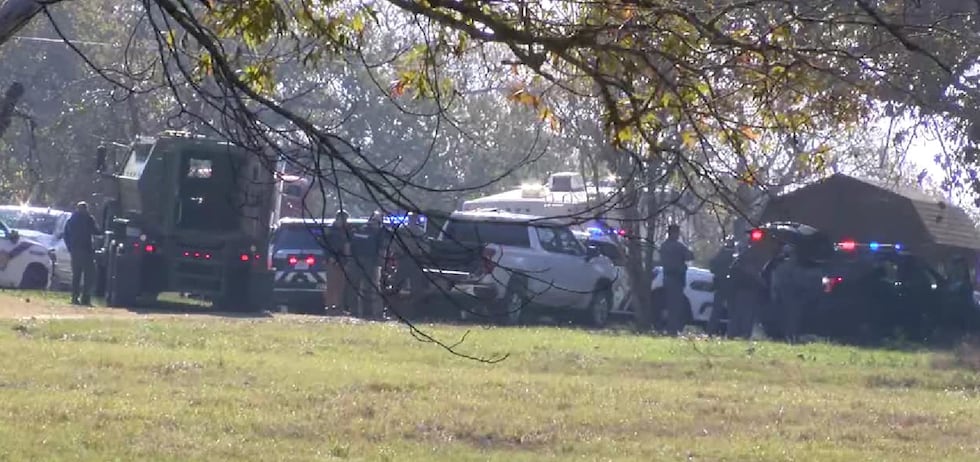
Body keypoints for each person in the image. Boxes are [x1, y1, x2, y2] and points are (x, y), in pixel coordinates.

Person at [349, 211, 390, 319]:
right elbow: (382, 250)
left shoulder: (359, 229)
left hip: (357, 262)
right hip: (371, 263)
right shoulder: (380, 233)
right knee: (374, 288)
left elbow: (351, 246)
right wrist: (383, 263)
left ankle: (356, 312)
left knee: (356, 287)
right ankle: (375, 313)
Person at [659, 223, 695, 335]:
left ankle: (668, 327)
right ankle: (673, 330)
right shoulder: (679, 246)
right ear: (675, 233)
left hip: (667, 278)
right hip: (677, 279)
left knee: (669, 305)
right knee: (676, 306)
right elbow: (690, 256)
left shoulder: (664, 246)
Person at [64, 201, 99, 306]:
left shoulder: (71, 220)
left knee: (76, 276)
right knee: (89, 275)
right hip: (86, 250)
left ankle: (75, 298)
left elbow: (66, 235)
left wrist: (70, 247)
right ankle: (86, 298)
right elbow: (96, 231)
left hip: (75, 251)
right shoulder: (88, 219)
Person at [395, 212, 429, 316]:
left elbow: (394, 245)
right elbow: (426, 248)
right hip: (413, 260)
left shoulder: (401, 230)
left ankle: (398, 309)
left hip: (404, 259)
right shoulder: (420, 232)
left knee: (399, 284)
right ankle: (415, 311)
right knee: (416, 286)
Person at [323, 210, 351, 313]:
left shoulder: (346, 230)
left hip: (342, 261)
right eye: (344, 219)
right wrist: (329, 257)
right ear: (338, 218)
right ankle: (329, 307)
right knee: (331, 284)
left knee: (341, 285)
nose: (345, 221)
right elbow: (325, 245)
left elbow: (347, 245)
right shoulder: (330, 229)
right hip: (331, 260)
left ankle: (339, 307)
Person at [707, 237, 736, 335]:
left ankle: (711, 331)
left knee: (716, 311)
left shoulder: (721, 253)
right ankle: (731, 333)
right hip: (730, 286)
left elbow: (712, 266)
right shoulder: (734, 255)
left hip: (721, 285)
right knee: (732, 312)